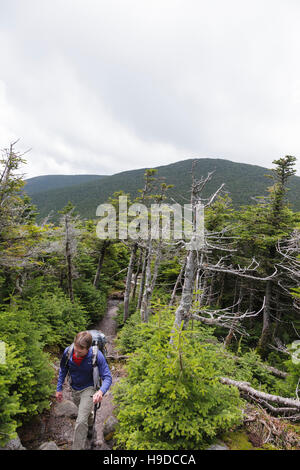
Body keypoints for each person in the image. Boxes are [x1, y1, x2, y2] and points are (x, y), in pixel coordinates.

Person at [56, 330, 112, 450]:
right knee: (85, 414)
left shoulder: (96, 355)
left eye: (80, 350)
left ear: (88, 349)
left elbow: (107, 377)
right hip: (74, 388)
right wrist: (59, 388)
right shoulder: (68, 351)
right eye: (75, 348)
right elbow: (63, 369)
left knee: (81, 421)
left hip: (89, 389)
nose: (76, 352)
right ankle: (91, 426)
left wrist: (100, 391)